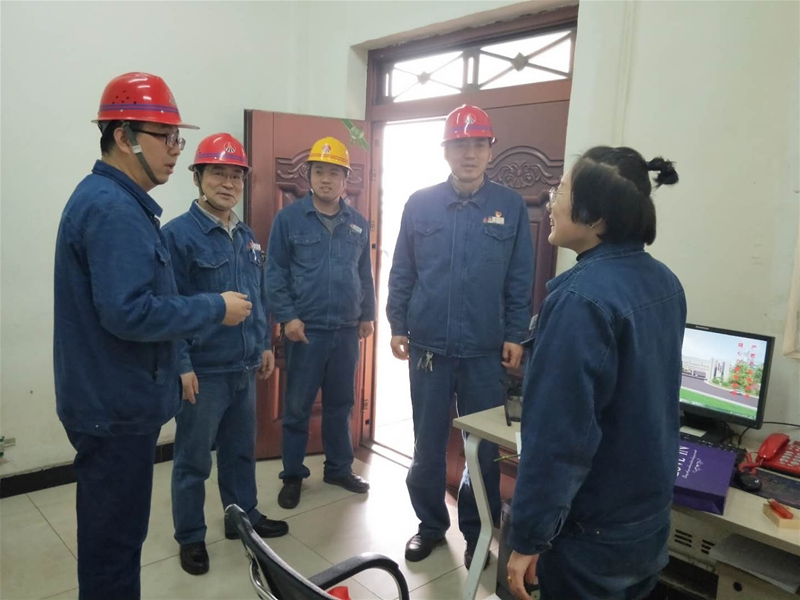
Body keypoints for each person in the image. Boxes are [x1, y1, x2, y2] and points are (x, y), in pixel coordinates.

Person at [53, 73, 253, 600]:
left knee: (113, 542)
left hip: (114, 399)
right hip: (115, 405)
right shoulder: (114, 208)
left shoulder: (119, 201)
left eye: (177, 138)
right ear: (124, 137)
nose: (174, 149)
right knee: (115, 550)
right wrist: (215, 307)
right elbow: (128, 312)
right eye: (165, 137)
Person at [505, 146, 685, 600]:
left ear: (597, 217)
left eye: (561, 192)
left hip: (593, 534)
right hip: (647, 521)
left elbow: (559, 439)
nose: (549, 202)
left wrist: (529, 536)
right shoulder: (665, 281)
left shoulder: (580, 302)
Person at [386, 105, 535, 568]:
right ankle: (431, 526)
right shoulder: (420, 203)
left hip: (485, 352)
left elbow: (520, 277)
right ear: (446, 150)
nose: (469, 153)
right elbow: (403, 269)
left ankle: (477, 533)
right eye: (460, 145)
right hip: (428, 348)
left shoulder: (510, 206)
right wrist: (397, 324)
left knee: (483, 451)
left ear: (490, 150)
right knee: (427, 445)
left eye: (478, 144)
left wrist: (516, 334)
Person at [163, 133, 289, 576]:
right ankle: (190, 536)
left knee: (239, 452)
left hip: (243, 366)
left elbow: (257, 293)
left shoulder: (246, 235)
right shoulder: (177, 236)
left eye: (236, 176)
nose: (228, 183)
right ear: (197, 177)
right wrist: (181, 365)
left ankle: (243, 519)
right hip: (204, 371)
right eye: (218, 173)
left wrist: (264, 344)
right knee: (193, 461)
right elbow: (169, 307)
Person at [266, 136, 375, 509]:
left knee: (341, 405)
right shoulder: (289, 219)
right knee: (297, 407)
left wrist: (367, 314)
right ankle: (293, 475)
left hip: (346, 331)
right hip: (305, 331)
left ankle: (339, 468)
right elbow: (275, 272)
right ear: (308, 176)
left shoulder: (358, 223)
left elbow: (364, 273)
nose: (326, 179)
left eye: (334, 173)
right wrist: (287, 316)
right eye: (319, 172)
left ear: (345, 179)